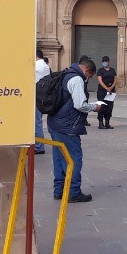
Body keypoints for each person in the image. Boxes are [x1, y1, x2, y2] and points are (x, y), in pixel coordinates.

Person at [47, 58, 102, 203]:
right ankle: (73, 192)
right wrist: (94, 107)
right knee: (74, 158)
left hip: (54, 123)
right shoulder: (77, 79)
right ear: (86, 70)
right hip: (67, 126)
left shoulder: (65, 74)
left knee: (59, 158)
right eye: (89, 76)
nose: (88, 79)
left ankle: (59, 190)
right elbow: (79, 105)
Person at [34, 49, 51, 155]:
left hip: (35, 95)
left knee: (36, 122)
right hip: (42, 97)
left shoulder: (36, 65)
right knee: (38, 121)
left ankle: (39, 146)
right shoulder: (46, 66)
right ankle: (38, 145)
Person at [96, 55, 117, 129]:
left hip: (111, 92)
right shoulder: (100, 70)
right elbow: (100, 80)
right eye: (103, 61)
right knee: (101, 106)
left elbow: (115, 79)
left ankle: (107, 122)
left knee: (109, 107)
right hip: (102, 91)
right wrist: (106, 88)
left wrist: (111, 88)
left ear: (108, 62)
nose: (104, 63)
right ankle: (100, 123)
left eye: (106, 61)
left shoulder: (112, 70)